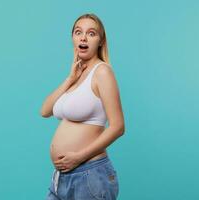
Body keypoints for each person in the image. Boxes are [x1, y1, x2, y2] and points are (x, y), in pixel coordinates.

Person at [40, 13, 125, 200]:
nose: (83, 37)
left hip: (89, 175)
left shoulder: (102, 72)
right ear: (73, 38)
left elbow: (118, 127)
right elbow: (44, 111)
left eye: (91, 33)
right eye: (78, 32)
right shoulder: (77, 75)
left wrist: (79, 157)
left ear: (100, 41)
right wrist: (70, 78)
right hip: (61, 178)